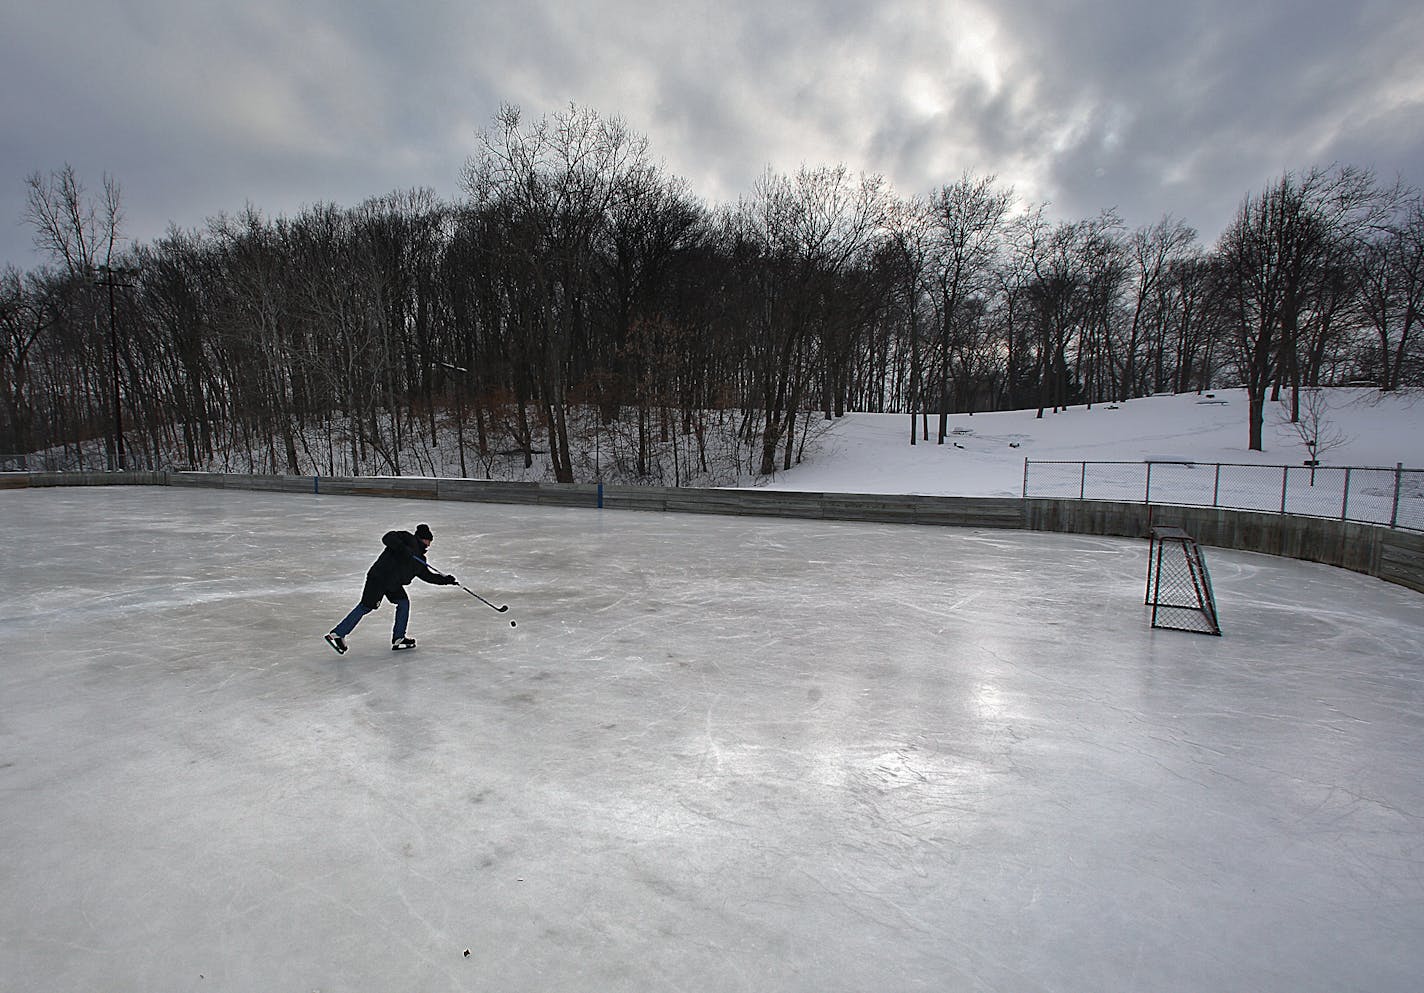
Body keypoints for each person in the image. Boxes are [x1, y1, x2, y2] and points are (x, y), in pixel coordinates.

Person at [325, 523, 457, 653]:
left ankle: (399, 638)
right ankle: (338, 633)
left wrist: (446, 580)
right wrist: (402, 548)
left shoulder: (419, 558)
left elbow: (428, 576)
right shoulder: (406, 538)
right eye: (428, 541)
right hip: (380, 578)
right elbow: (387, 537)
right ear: (423, 539)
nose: (429, 545)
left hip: (393, 584)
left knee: (403, 603)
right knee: (366, 606)